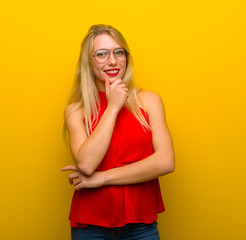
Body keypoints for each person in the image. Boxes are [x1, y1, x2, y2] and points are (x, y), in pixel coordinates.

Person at [61, 24, 175, 240]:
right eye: (101, 54)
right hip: (89, 228)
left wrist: (101, 179)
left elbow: (165, 162)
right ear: (89, 61)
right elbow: (86, 164)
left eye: (118, 52)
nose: (112, 61)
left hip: (141, 225)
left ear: (126, 57)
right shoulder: (75, 110)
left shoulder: (149, 100)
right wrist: (113, 107)